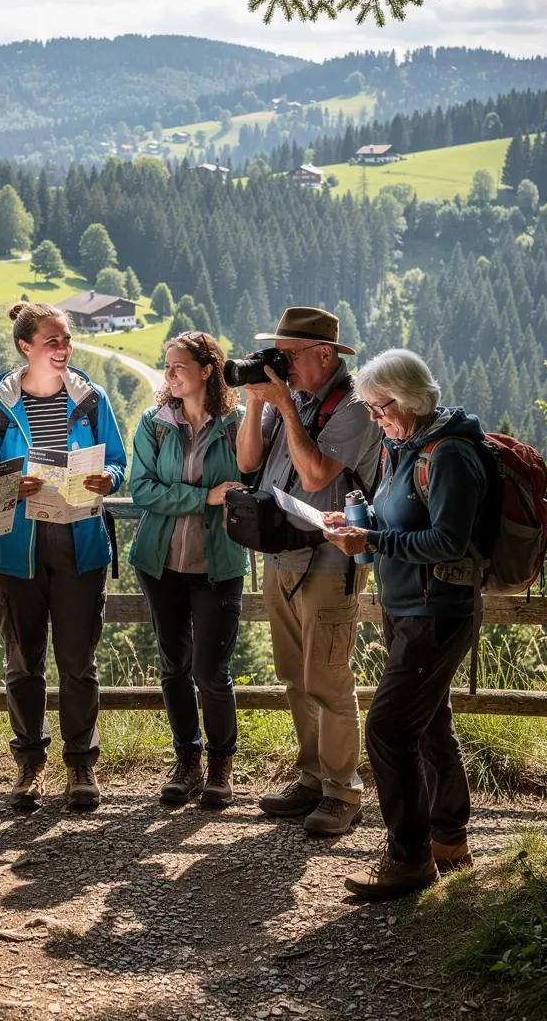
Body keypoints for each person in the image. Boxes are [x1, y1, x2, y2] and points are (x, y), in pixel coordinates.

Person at [323, 348, 487, 900]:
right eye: (370, 409)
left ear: (412, 398)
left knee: (388, 729)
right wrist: (357, 524)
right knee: (430, 725)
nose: (376, 419)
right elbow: (398, 519)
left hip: (436, 613)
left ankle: (409, 856)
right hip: (409, 609)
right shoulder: (405, 447)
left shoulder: (449, 453)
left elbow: (448, 540)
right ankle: (449, 842)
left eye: (382, 407)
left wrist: (372, 540)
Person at [0, 302, 127, 811]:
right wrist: (12, 487)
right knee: (23, 665)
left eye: (67, 340)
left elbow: (117, 461)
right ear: (25, 346)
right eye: (52, 341)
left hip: (81, 546)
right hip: (16, 552)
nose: (63, 349)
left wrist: (108, 479)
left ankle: (80, 764)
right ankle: (30, 766)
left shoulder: (92, 400)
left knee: (78, 664)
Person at [236, 307, 382, 835]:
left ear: (324, 354)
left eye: (288, 355)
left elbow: (317, 474)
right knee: (295, 676)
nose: (282, 365)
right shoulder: (291, 398)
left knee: (328, 676)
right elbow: (247, 463)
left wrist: (284, 407)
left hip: (328, 561)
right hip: (282, 554)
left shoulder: (354, 406)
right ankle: (313, 778)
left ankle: (343, 792)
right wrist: (258, 401)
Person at [130, 331, 247, 807]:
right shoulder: (154, 423)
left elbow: (247, 483)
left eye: (178, 365)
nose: (170, 373)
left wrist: (212, 497)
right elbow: (142, 489)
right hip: (159, 564)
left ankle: (221, 764)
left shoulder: (237, 424)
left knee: (211, 671)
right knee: (174, 666)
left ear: (207, 370)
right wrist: (204, 497)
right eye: (167, 365)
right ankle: (187, 760)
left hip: (219, 564)